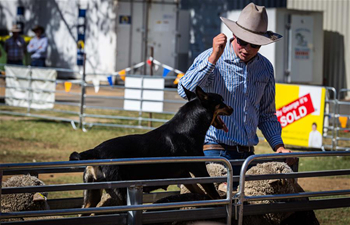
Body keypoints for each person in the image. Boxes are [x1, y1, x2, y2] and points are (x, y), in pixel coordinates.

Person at [178, 3, 292, 181]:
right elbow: (184, 91)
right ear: (234, 35)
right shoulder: (212, 57)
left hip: (247, 155)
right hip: (214, 151)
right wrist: (213, 58)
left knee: (247, 205)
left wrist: (278, 146)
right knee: (220, 205)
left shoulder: (265, 68)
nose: (246, 49)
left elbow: (266, 114)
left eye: (254, 45)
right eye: (242, 42)